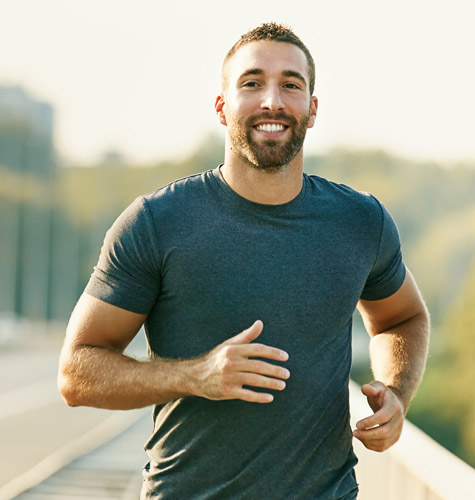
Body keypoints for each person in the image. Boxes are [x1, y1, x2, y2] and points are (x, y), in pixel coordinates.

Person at [58, 22, 430, 500]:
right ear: (222, 107)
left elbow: (403, 317)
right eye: (251, 83)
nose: (272, 101)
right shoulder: (156, 222)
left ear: (312, 110)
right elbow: (76, 373)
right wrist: (196, 376)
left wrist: (396, 393)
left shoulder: (361, 221)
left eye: (291, 85)